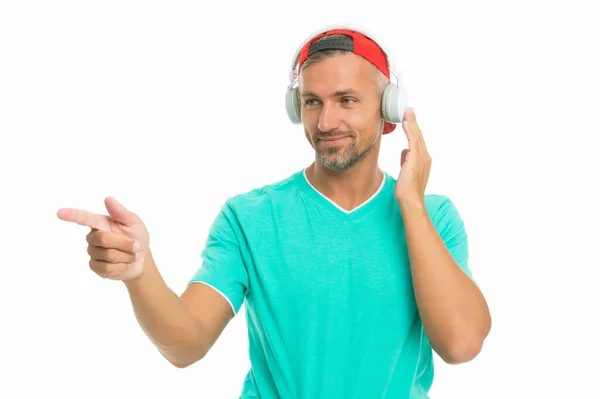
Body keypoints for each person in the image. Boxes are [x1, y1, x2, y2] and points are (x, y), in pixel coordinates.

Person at [57, 24, 491, 399]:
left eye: (347, 100)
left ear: (390, 110)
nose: (325, 122)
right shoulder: (249, 217)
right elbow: (186, 344)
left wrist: (411, 203)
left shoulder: (434, 217)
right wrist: (140, 273)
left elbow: (461, 344)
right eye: (312, 102)